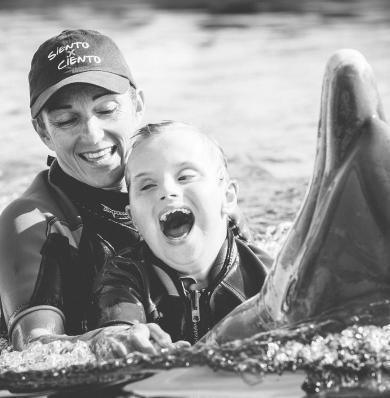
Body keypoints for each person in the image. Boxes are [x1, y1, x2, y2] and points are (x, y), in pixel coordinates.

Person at [0, 29, 249, 354]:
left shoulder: (195, 197)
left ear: (138, 104)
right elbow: (33, 350)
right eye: (66, 120)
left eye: (106, 110)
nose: (92, 134)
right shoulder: (32, 224)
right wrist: (104, 341)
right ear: (43, 132)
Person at [92, 121, 273, 344]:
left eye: (184, 177)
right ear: (134, 219)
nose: (167, 191)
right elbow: (117, 329)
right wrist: (125, 339)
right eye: (147, 186)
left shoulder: (267, 275)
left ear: (227, 197)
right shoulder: (124, 276)